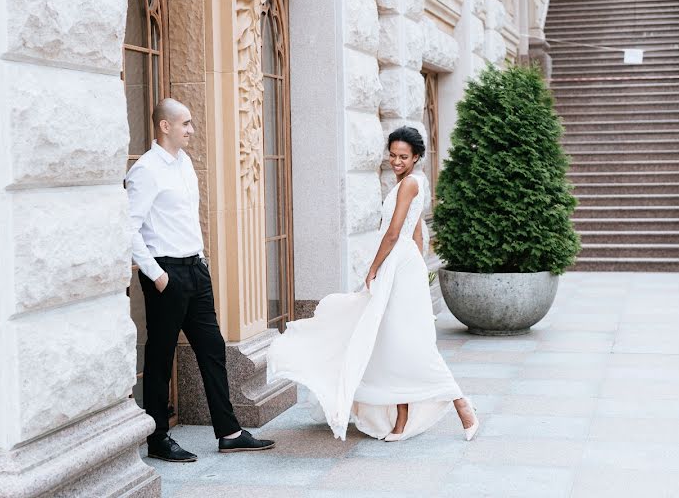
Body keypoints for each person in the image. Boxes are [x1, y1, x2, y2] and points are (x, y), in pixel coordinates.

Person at [267, 126, 478, 442]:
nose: (395, 161)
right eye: (392, 155)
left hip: (398, 264)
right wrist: (412, 265)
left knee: (412, 344)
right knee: (391, 341)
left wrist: (374, 269)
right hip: (403, 263)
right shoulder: (405, 183)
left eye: (403, 156)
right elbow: (418, 231)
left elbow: (394, 233)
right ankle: (401, 417)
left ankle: (462, 406)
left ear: (416, 157)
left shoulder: (409, 184)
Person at [125, 98, 275, 462]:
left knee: (213, 350)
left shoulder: (185, 163)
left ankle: (229, 432)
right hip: (166, 273)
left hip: (194, 269)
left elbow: (188, 219)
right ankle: (158, 438)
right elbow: (128, 228)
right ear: (165, 126)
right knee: (160, 356)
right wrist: (158, 276)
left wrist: (201, 260)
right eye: (186, 123)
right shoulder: (146, 170)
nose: (192, 130)